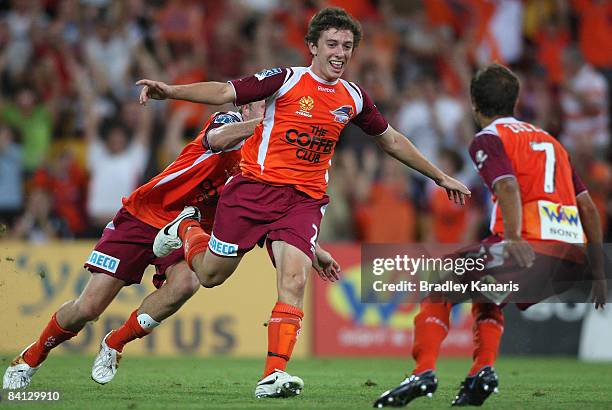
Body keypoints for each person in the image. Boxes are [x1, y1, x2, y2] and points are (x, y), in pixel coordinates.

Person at [136, 7, 470, 399]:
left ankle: (273, 374)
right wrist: (171, 91)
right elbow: (226, 91)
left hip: (304, 200)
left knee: (294, 279)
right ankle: (185, 228)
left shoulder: (354, 97)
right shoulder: (285, 80)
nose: (340, 52)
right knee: (211, 275)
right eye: (332, 43)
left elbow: (391, 140)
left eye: (347, 46)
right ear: (312, 46)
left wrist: (439, 175)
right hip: (254, 191)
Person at [2, 101, 340, 390]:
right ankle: (31, 358)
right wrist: (264, 125)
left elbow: (276, 214)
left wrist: (316, 250)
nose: (268, 113)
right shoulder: (229, 122)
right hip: (146, 213)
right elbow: (215, 139)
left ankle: (115, 342)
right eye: (261, 107)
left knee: (187, 282)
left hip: (188, 228)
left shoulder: (271, 162)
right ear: (246, 108)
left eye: (273, 108)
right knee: (88, 309)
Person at [373, 63, 607, 408]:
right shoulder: (552, 143)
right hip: (569, 259)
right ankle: (481, 373)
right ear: (514, 102)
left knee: (440, 282)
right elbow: (587, 207)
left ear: (473, 104)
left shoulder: (489, 139)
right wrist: (599, 270)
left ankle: (423, 372)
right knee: (487, 296)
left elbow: (507, 186)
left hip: (525, 244)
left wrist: (512, 238)